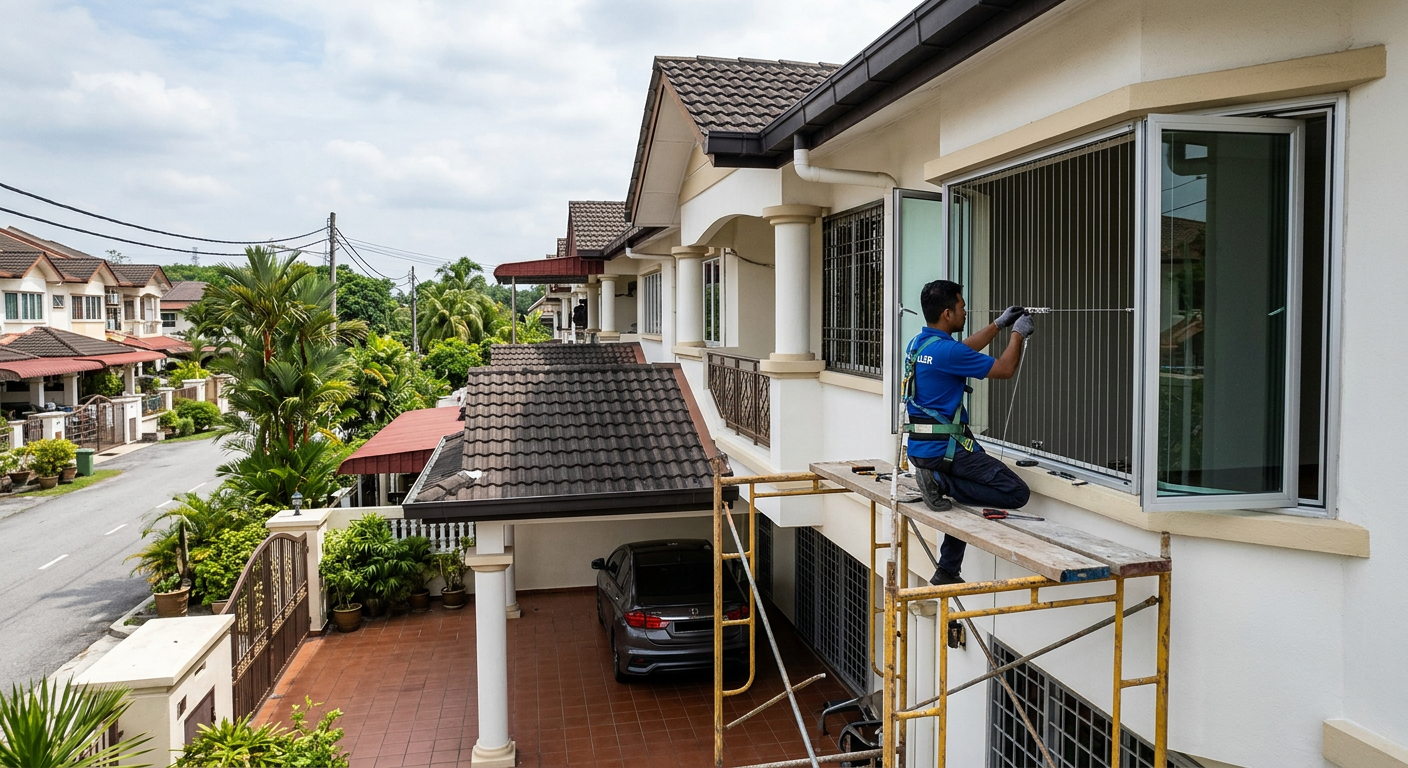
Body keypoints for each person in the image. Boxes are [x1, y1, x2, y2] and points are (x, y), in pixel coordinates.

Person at [904, 279, 1034, 586]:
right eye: (962, 307)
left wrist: (998, 325)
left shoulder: (920, 345)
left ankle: (948, 569)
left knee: (964, 489)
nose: (965, 312)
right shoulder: (946, 353)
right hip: (945, 449)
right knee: (1016, 492)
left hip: (923, 446)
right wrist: (1018, 333)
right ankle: (938, 482)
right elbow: (1004, 369)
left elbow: (960, 351)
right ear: (948, 313)